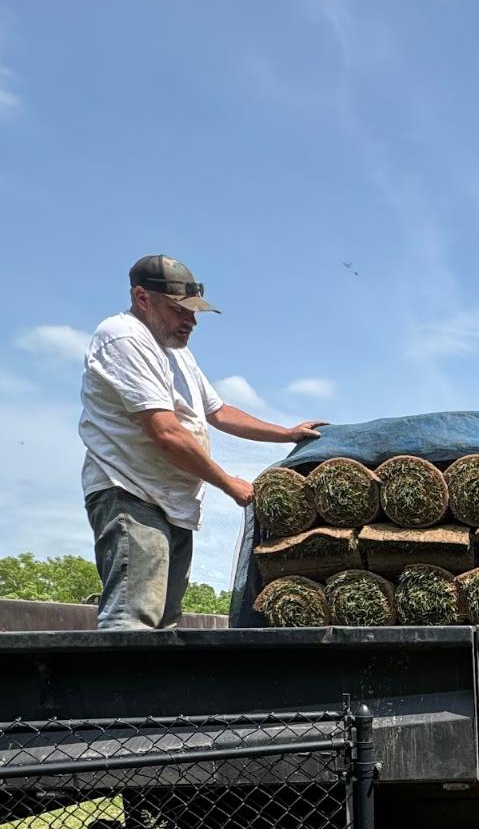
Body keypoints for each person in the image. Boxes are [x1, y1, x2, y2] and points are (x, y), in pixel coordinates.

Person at [79, 254, 321, 629]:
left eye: (194, 312)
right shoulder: (124, 338)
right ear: (142, 298)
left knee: (166, 623)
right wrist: (229, 483)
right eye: (180, 310)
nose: (191, 321)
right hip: (131, 494)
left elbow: (218, 412)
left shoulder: (178, 354)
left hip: (172, 501)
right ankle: (122, 687)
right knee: (134, 621)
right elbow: (166, 432)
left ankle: (155, 689)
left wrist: (285, 434)